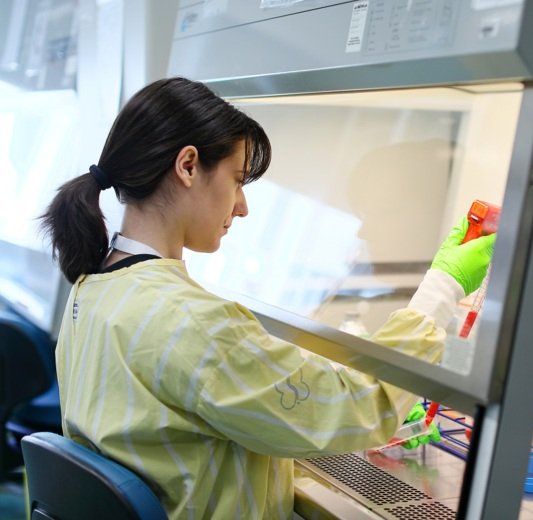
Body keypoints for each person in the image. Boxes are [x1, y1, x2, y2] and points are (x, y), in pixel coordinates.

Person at [40, 77, 495, 519]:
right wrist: (444, 284)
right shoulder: (187, 319)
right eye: (237, 181)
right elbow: (354, 408)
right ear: (188, 166)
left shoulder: (93, 290)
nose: (241, 206)